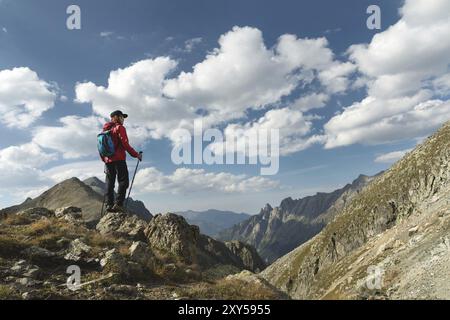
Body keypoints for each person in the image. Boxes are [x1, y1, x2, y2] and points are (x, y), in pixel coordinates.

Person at [100, 110, 142, 212]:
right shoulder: (120, 128)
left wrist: (105, 160)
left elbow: (100, 148)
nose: (123, 120)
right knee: (124, 181)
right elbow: (125, 144)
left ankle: (109, 205)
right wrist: (136, 155)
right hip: (119, 159)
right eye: (122, 117)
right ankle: (118, 204)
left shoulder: (104, 131)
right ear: (116, 117)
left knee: (109, 183)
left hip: (108, 161)